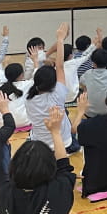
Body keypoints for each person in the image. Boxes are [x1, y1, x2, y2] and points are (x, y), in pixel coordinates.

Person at [27, 24, 78, 153]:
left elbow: (38, 72)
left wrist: (35, 61)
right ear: (53, 82)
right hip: (62, 143)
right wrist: (60, 39)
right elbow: (60, 66)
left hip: (39, 144)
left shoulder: (28, 95)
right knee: (64, 114)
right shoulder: (58, 93)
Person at [0, 64, 32, 129]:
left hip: (2, 122)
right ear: (21, 75)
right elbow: (37, 76)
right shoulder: (28, 84)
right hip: (23, 121)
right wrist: (35, 62)